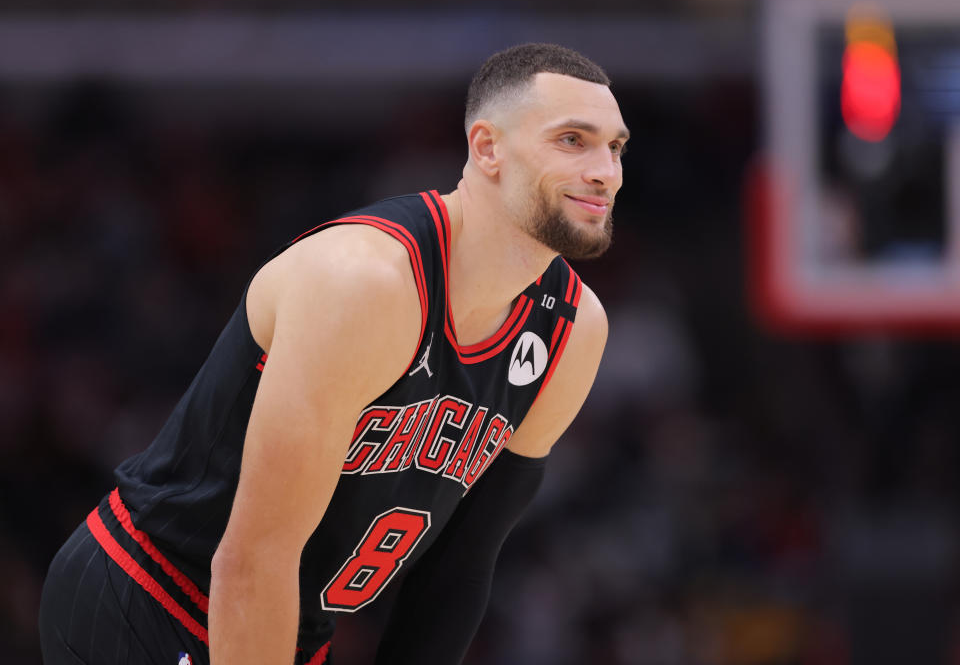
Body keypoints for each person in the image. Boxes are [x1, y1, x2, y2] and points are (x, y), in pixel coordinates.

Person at [39, 42, 628, 665]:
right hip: (154, 591)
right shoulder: (365, 282)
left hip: (290, 629)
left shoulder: (573, 330)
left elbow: (461, 567)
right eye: (572, 140)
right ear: (487, 149)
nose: (605, 171)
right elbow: (253, 554)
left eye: (615, 147)